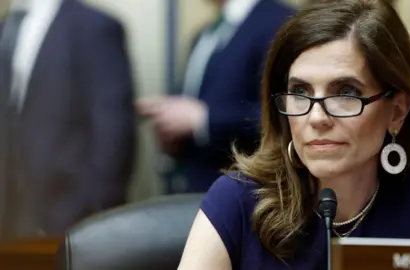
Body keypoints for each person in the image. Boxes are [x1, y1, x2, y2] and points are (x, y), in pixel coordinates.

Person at [178, 1, 410, 269]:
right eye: (300, 92)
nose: (316, 117)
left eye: (345, 92)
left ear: (396, 111)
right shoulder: (237, 199)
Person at [0, 0, 136, 239]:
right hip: (10, 222)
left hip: (69, 220)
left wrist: (92, 216)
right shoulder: (7, 27)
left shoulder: (94, 27)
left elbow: (113, 131)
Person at [136, 0, 293, 194]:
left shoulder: (281, 23)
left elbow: (288, 114)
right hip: (193, 189)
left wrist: (204, 119)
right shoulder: (205, 33)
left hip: (247, 192)